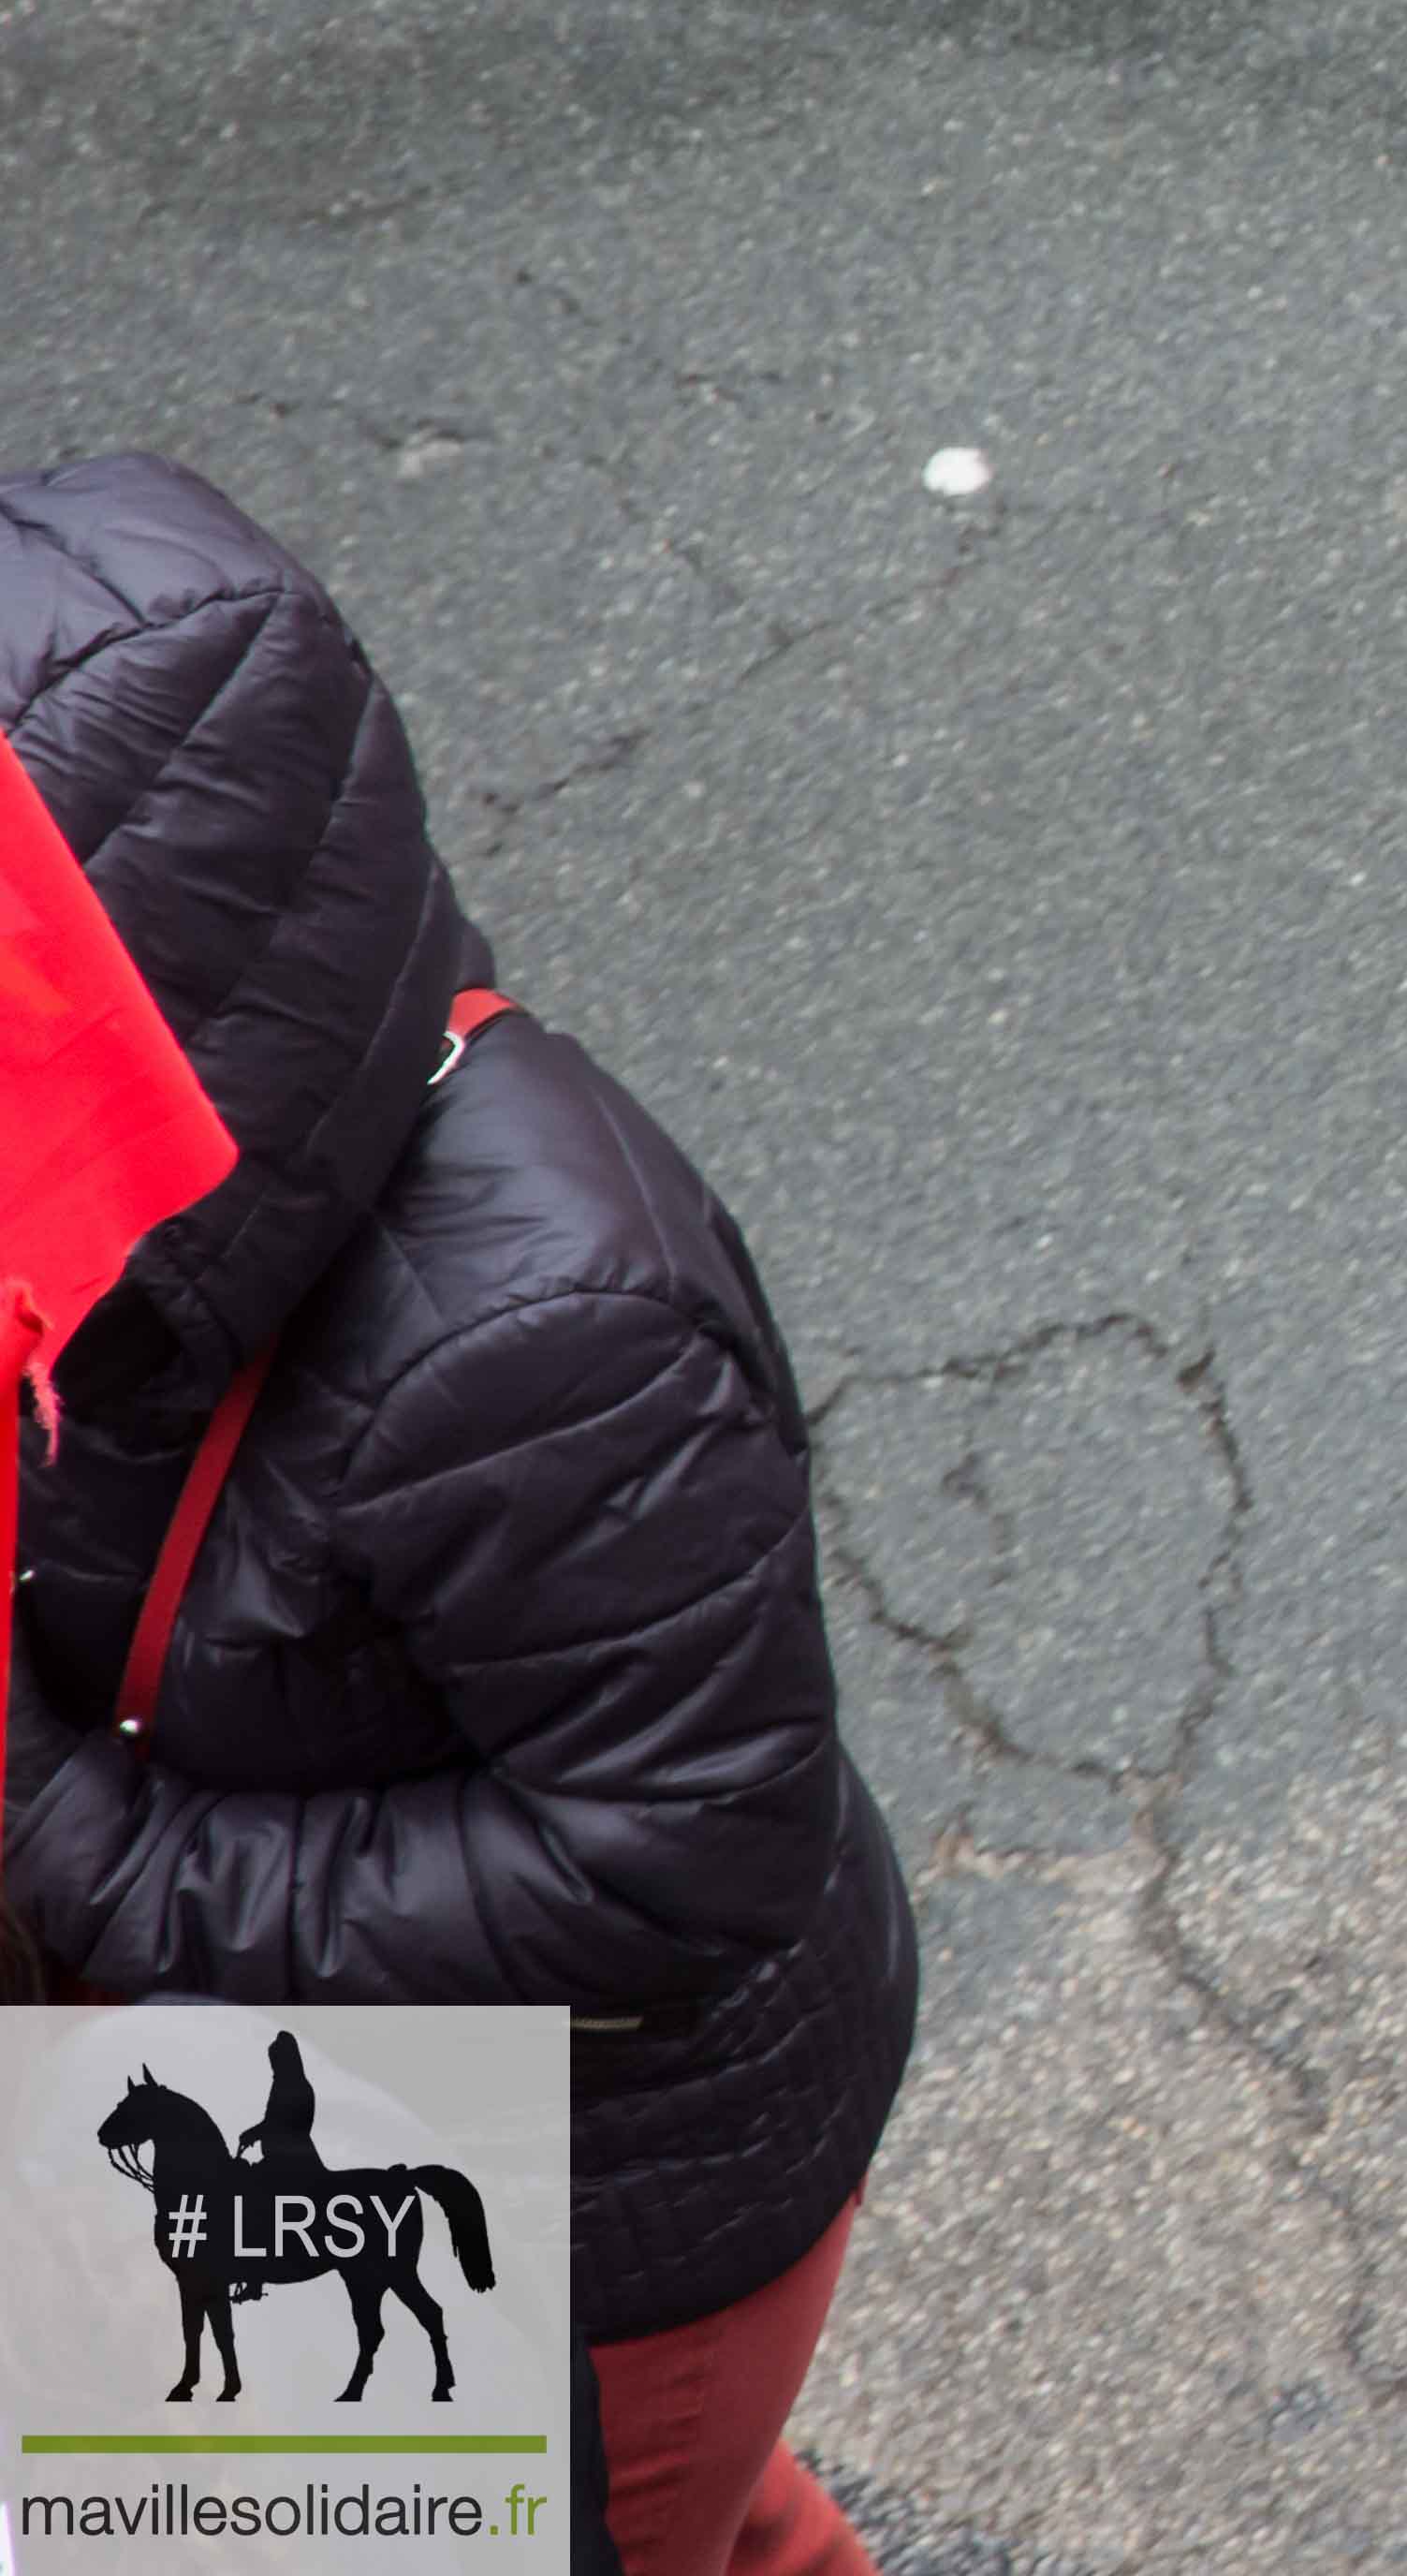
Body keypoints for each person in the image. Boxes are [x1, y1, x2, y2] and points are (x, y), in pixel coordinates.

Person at [0, 456, 915, 2576]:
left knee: (602, 2525)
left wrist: (87, 1846)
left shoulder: (547, 1332)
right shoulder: (128, 1250)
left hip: (578, 2189)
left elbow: (681, 1859)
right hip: (235, 2073)